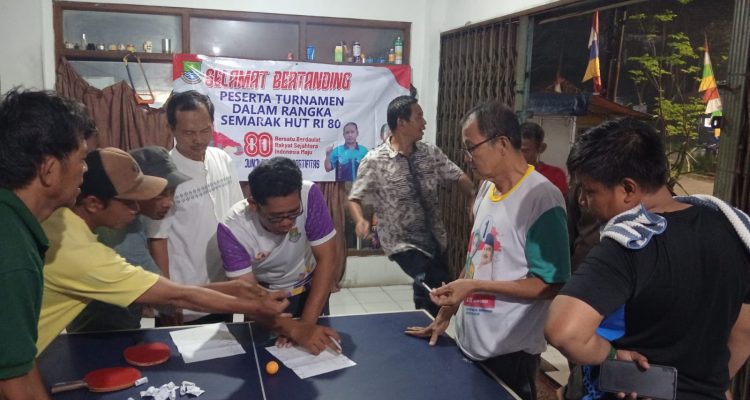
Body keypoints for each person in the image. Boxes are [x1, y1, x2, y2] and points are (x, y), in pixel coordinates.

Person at [545, 118, 750, 399]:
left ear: (628, 189)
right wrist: (708, 383)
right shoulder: (733, 230)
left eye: (590, 191)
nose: (583, 201)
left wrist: (612, 355)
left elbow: (564, 331)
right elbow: (744, 330)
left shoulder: (631, 241)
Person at [38, 148, 289, 354]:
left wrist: (233, 289)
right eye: (129, 201)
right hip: (33, 352)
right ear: (93, 203)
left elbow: (171, 293)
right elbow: (174, 296)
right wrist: (253, 306)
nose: (137, 208)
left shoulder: (59, 218)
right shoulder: (84, 255)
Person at [406, 101, 570, 400]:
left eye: (471, 147)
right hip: (471, 344)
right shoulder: (486, 189)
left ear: (502, 143)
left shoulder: (541, 197)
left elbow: (550, 284)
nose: (467, 157)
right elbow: (475, 261)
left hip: (510, 354)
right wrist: (446, 313)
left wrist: (475, 286)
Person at [0, 89, 90, 400]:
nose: (85, 170)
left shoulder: (15, 224)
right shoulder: (12, 252)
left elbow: (20, 360)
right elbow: (14, 386)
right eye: (82, 159)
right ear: (49, 169)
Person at [348, 95, 475, 317]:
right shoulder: (375, 160)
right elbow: (354, 198)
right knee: (430, 281)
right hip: (402, 244)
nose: (424, 123)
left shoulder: (430, 153)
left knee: (436, 290)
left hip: (435, 238)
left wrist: (473, 198)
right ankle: (431, 318)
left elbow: (458, 175)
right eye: (419, 117)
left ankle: (426, 320)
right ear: (401, 122)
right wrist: (360, 220)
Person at [217, 157, 341, 354]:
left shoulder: (309, 195)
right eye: (276, 217)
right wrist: (292, 328)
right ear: (254, 205)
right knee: (262, 355)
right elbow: (247, 293)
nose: (287, 222)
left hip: (310, 289)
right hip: (263, 297)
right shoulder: (232, 229)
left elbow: (328, 259)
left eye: (293, 213)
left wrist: (306, 325)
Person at [145, 90, 245, 325]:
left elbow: (237, 216)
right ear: (171, 129)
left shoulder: (222, 159)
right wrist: (168, 298)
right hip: (184, 296)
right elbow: (157, 239)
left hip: (223, 289)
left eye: (205, 130)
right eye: (189, 133)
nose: (199, 140)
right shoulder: (163, 174)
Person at [67, 146, 191, 333]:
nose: (168, 202)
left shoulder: (130, 219)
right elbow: (163, 294)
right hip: (100, 335)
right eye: (159, 193)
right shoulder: (117, 228)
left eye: (172, 193)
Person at [519, 121, 568, 197]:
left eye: (525, 151)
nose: (519, 155)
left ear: (541, 148)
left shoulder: (555, 176)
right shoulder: (505, 175)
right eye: (516, 150)